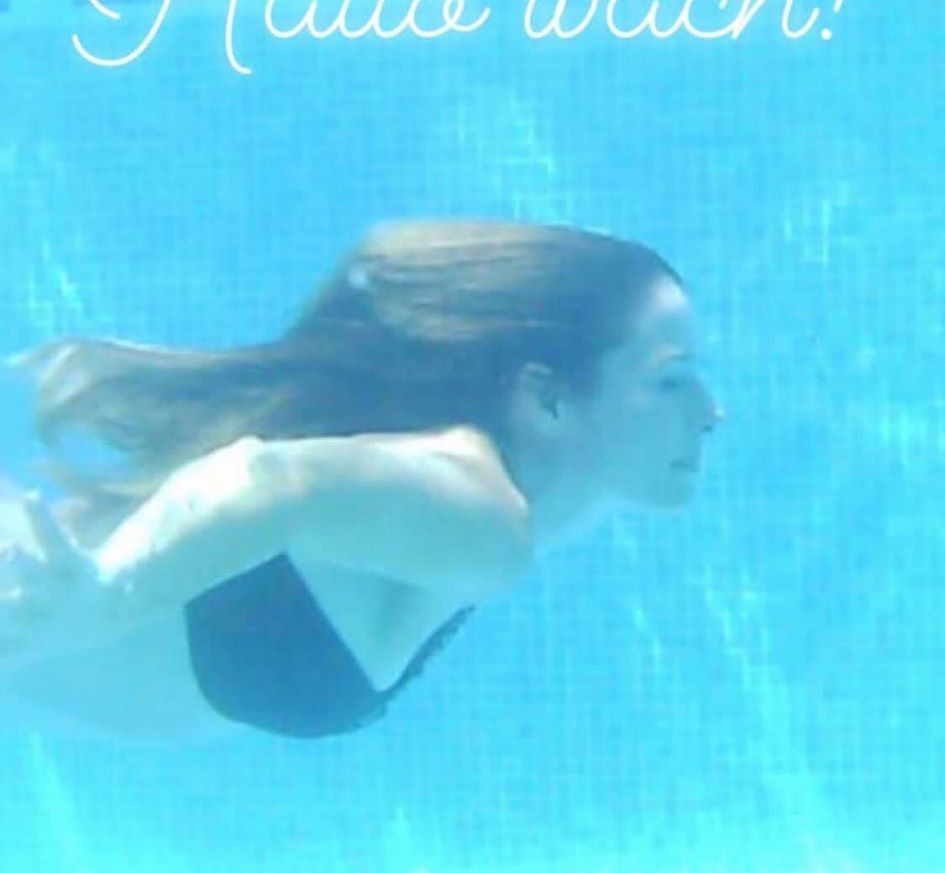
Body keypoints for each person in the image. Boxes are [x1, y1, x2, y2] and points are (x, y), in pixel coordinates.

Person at [0, 218, 722, 743]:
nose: (711, 412)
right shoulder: (481, 513)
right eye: (671, 380)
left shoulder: (518, 496)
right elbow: (265, 480)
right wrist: (104, 596)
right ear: (547, 401)